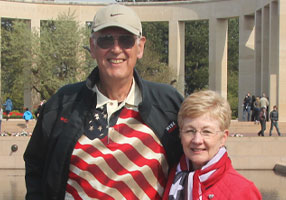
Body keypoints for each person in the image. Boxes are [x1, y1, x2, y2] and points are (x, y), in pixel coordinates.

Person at [24, 4, 183, 200]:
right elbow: (36, 167)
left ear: (140, 47)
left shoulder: (169, 104)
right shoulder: (62, 103)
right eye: (106, 40)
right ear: (92, 47)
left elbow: (205, 161)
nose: (116, 49)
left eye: (126, 40)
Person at [163, 90, 262, 200]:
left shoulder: (243, 191)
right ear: (180, 134)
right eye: (190, 131)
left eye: (206, 132)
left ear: (223, 138)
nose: (197, 140)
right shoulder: (171, 177)